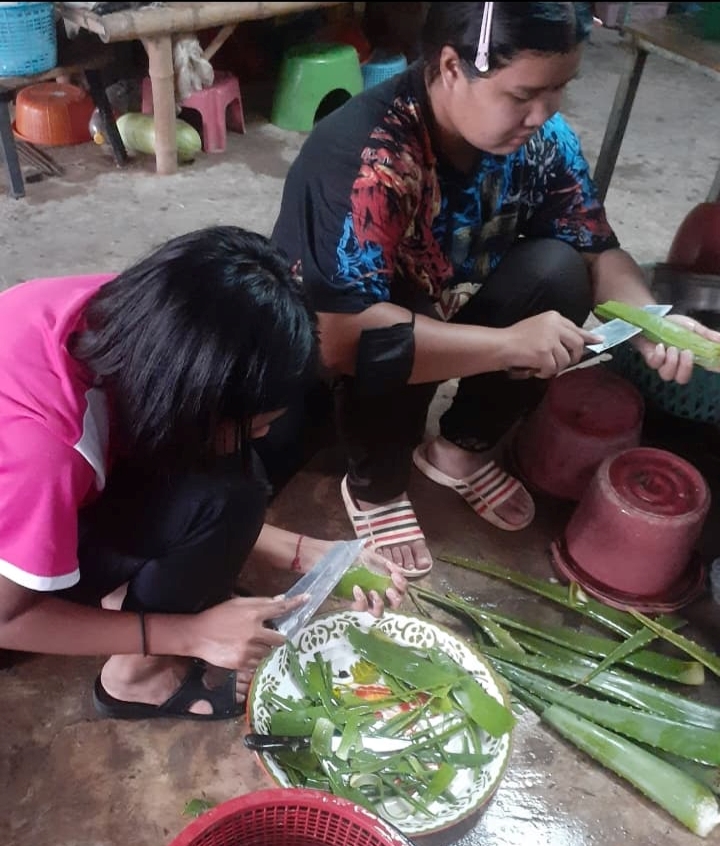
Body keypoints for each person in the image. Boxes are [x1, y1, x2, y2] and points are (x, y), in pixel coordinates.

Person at [271, 1, 720, 579]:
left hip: (451, 304)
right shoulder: (369, 158)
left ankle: (458, 449)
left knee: (559, 270)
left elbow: (595, 248)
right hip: (343, 338)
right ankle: (376, 483)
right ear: (451, 67)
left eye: (559, 89)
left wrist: (649, 320)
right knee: (396, 318)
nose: (543, 114)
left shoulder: (542, 141)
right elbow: (338, 339)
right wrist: (507, 345)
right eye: (523, 94)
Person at [0, 226, 406, 722]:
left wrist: (309, 554)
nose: (260, 434)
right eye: (255, 424)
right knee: (230, 489)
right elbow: (6, 619)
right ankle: (136, 679)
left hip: (26, 510)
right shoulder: (50, 450)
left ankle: (123, 591)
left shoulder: (135, 314)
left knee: (234, 469)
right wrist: (189, 634)